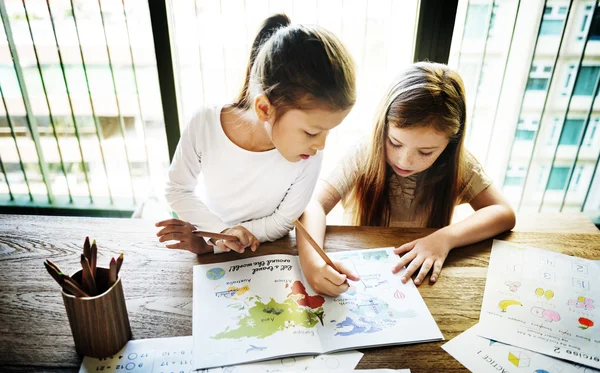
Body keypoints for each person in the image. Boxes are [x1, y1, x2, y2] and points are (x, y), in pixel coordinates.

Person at [297, 62, 516, 295]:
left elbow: (503, 212)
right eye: (395, 143)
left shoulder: (458, 163)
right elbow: (314, 204)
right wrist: (313, 264)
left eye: (425, 152)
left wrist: (444, 239)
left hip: (421, 282)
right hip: (361, 277)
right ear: (383, 128)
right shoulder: (365, 153)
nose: (405, 160)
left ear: (449, 145)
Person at [156, 14, 356, 255]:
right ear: (264, 108)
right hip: (209, 249)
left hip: (266, 254)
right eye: (312, 132)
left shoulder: (308, 155)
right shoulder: (205, 123)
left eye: (328, 132)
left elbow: (283, 221)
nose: (321, 145)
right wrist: (218, 234)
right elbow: (177, 189)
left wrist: (228, 238)